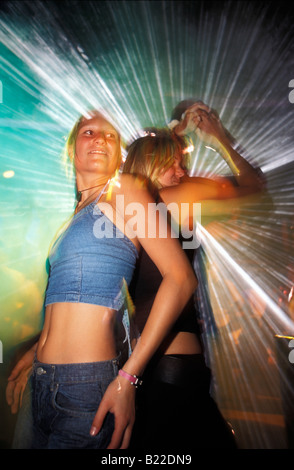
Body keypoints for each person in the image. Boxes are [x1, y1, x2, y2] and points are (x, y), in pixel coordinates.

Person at [8, 109, 197, 450]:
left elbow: (181, 278)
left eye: (110, 135)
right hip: (42, 382)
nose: (100, 139)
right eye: (89, 132)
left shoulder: (124, 190)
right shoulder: (74, 217)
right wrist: (33, 353)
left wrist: (128, 377)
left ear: (119, 155)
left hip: (86, 389)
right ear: (72, 150)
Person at [123, 103, 265, 449]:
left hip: (136, 362)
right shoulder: (176, 198)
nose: (182, 171)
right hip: (173, 367)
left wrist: (175, 130)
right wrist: (220, 139)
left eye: (182, 163)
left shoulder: (118, 210)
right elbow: (253, 184)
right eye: (172, 162)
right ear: (150, 162)